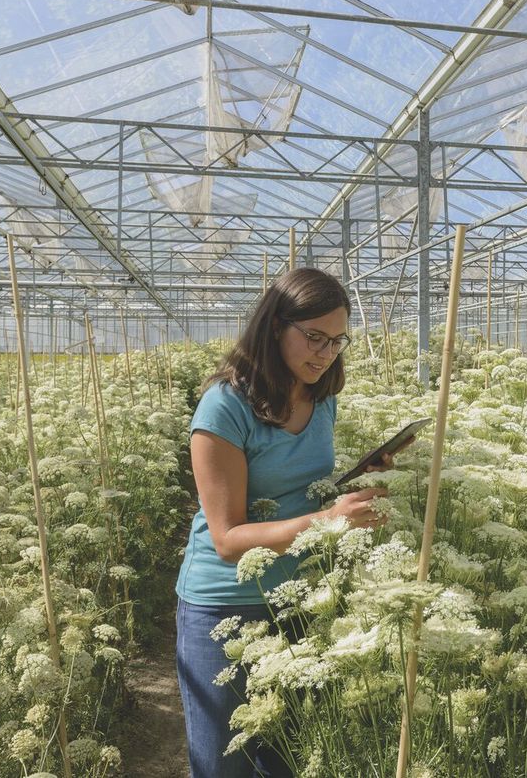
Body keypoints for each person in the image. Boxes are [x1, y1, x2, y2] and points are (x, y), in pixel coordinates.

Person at [175, 268, 390, 778]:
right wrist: (331, 521)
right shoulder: (223, 408)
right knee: (224, 764)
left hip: (298, 600)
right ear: (275, 327)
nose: (325, 352)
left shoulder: (320, 399)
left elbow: (298, 489)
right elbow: (228, 539)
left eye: (337, 341)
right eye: (314, 336)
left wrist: (351, 483)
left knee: (288, 761)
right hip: (224, 606)